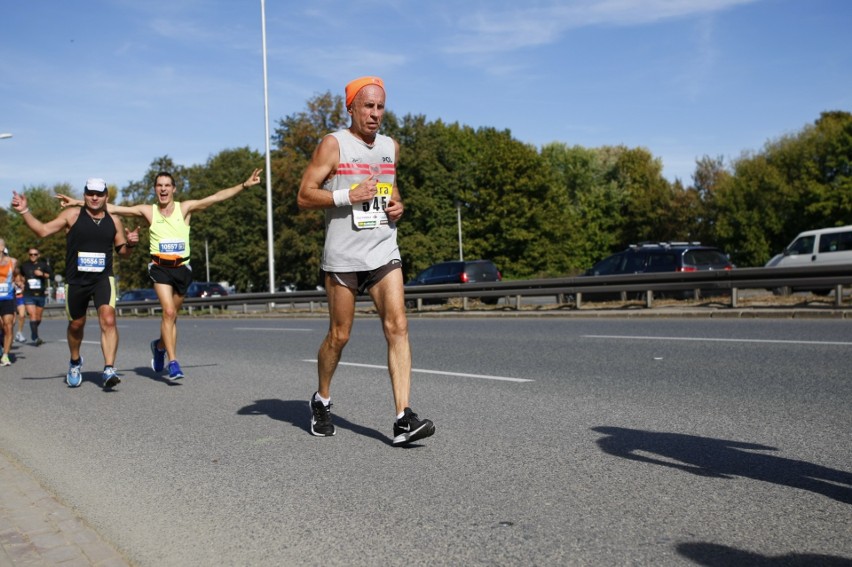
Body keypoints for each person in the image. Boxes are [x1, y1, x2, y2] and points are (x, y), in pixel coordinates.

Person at [297, 76, 435, 446]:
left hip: (383, 250)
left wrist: (397, 205)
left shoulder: (391, 146)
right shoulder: (333, 145)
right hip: (344, 256)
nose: (375, 114)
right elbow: (305, 195)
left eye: (380, 107)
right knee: (340, 336)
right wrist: (348, 195)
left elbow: (390, 185)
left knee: (398, 326)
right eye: (368, 106)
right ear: (351, 108)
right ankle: (322, 399)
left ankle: (403, 418)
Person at [60, 168, 263, 381]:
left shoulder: (185, 208)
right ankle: (173, 362)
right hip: (159, 268)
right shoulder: (149, 211)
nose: (163, 189)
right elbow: (109, 206)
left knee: (172, 316)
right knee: (167, 312)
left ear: (174, 188)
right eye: (159, 185)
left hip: (182, 269)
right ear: (155, 189)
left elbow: (215, 197)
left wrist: (243, 185)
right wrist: (76, 202)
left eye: (167, 185)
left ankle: (158, 347)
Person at [12, 178, 139, 389]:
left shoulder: (114, 220)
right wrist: (25, 211)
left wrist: (132, 244)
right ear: (84, 195)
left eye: (99, 194)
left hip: (102, 279)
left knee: (108, 319)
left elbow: (123, 253)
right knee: (76, 325)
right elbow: (42, 231)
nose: (95, 197)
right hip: (76, 281)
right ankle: (74, 361)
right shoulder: (72, 215)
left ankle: (109, 368)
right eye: (91, 193)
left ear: (106, 196)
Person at [18, 246, 51, 345]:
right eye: (31, 254)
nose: (33, 256)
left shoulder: (43, 265)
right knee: (32, 315)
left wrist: (42, 274)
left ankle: (34, 331)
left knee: (38, 318)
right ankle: (35, 337)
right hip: (28, 294)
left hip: (40, 294)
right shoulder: (24, 266)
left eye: (35, 254)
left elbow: (51, 276)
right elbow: (20, 275)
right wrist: (21, 282)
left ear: (38, 255)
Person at [0, 241, 18, 366]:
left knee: (8, 326)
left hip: (8, 298)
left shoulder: (13, 261)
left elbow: (16, 275)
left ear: (2, 247)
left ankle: (5, 355)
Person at [13, 270, 27, 343]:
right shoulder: (9, 277)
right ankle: (8, 335)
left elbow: (23, 288)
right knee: (13, 321)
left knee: (22, 316)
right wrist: (14, 283)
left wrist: (22, 286)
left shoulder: (22, 278)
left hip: (20, 298)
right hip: (12, 299)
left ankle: (19, 333)